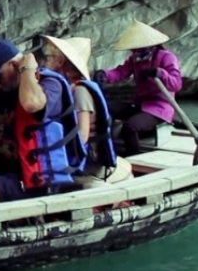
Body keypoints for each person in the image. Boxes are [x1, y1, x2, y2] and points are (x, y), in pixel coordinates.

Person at [0, 39, 84, 205]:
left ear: (15, 66)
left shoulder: (49, 83)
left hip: (31, 180)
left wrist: (27, 70)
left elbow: (32, 104)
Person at [42, 36, 132, 187]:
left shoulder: (80, 92)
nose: (46, 61)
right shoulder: (67, 88)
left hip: (87, 161)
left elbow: (82, 137)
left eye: (50, 57)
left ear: (61, 62)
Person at [93, 20, 183, 156]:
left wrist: (159, 73)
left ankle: (133, 157)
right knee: (105, 109)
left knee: (130, 126)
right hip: (139, 104)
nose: (134, 51)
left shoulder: (167, 57)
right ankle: (103, 149)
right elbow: (121, 72)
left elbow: (176, 84)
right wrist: (104, 74)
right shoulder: (135, 59)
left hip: (159, 108)